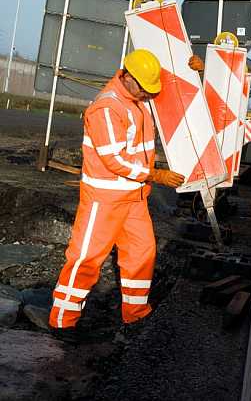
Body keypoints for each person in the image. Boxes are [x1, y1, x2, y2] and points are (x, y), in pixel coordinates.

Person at [49, 49, 204, 337]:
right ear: (128, 77)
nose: (150, 94)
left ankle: (135, 315)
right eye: (145, 89)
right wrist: (156, 174)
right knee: (86, 258)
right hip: (104, 199)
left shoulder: (139, 97)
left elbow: (173, 91)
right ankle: (62, 322)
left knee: (141, 254)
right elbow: (114, 160)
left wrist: (195, 70)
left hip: (134, 198)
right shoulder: (106, 109)